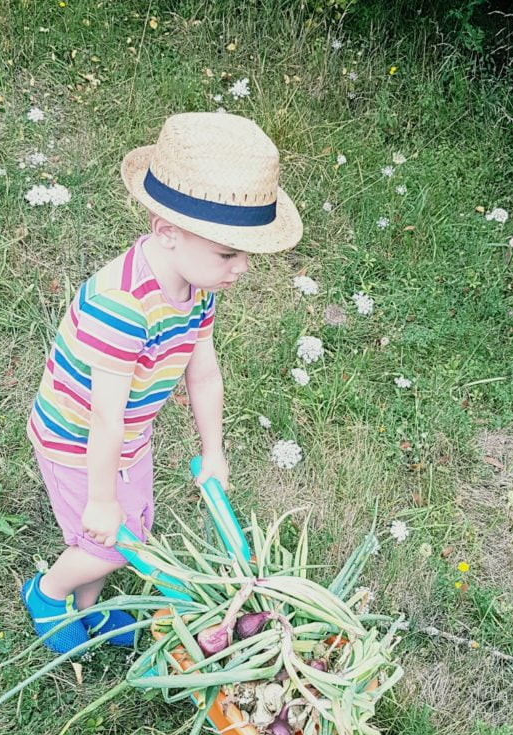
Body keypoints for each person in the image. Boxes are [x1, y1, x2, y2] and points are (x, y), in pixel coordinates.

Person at [22, 111, 303, 654]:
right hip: (78, 438)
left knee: (133, 529)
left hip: (129, 433)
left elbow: (204, 373)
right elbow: (103, 414)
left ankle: (91, 607)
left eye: (243, 253)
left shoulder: (198, 289)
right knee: (106, 538)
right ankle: (48, 592)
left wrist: (213, 451)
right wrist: (101, 498)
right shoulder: (123, 306)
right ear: (167, 233)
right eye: (228, 252)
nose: (240, 267)